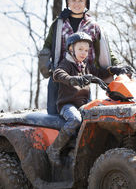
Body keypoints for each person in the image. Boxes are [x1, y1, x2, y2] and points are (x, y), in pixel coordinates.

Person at [46, 32, 129, 166]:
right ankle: (53, 149)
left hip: (84, 104)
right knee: (75, 120)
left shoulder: (85, 66)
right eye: (80, 49)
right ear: (71, 49)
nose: (84, 53)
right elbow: (58, 73)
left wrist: (113, 70)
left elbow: (98, 73)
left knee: (102, 115)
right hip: (67, 105)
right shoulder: (66, 63)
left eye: (86, 50)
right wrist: (73, 79)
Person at [39, 0, 118, 115]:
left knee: (86, 117)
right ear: (67, 2)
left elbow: (106, 52)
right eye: (73, 0)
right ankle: (60, 136)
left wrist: (118, 66)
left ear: (86, 2)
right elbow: (47, 46)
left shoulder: (94, 26)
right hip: (59, 78)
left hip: (83, 77)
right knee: (53, 117)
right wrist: (44, 63)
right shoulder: (58, 24)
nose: (77, 3)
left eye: (81, 0)